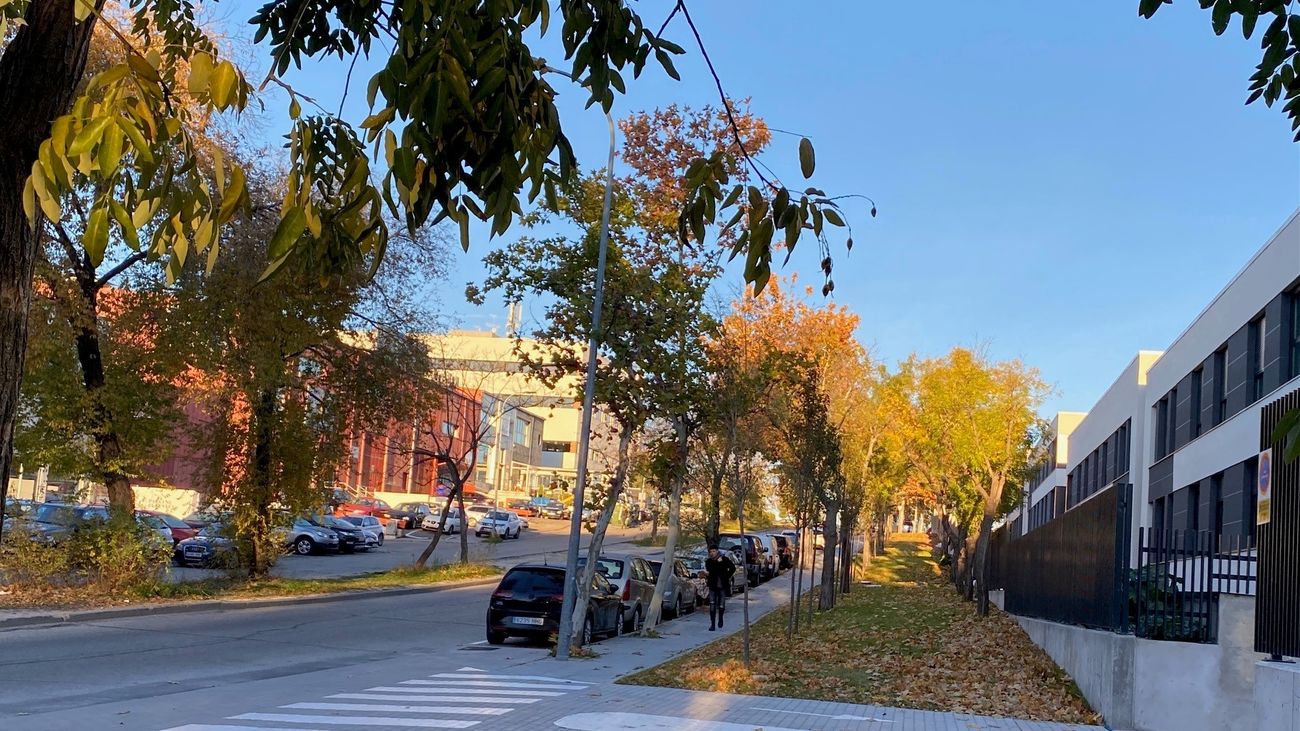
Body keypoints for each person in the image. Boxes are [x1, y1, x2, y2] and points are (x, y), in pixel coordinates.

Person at [704, 544, 735, 632]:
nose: (712, 553)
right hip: (713, 586)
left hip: (722, 586)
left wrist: (727, 576)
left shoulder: (724, 559)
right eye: (711, 552)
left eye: (714, 551)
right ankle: (712, 624)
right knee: (712, 605)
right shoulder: (709, 561)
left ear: (717, 551)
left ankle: (720, 618)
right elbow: (711, 570)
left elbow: (732, 568)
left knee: (721, 605)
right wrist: (718, 562)